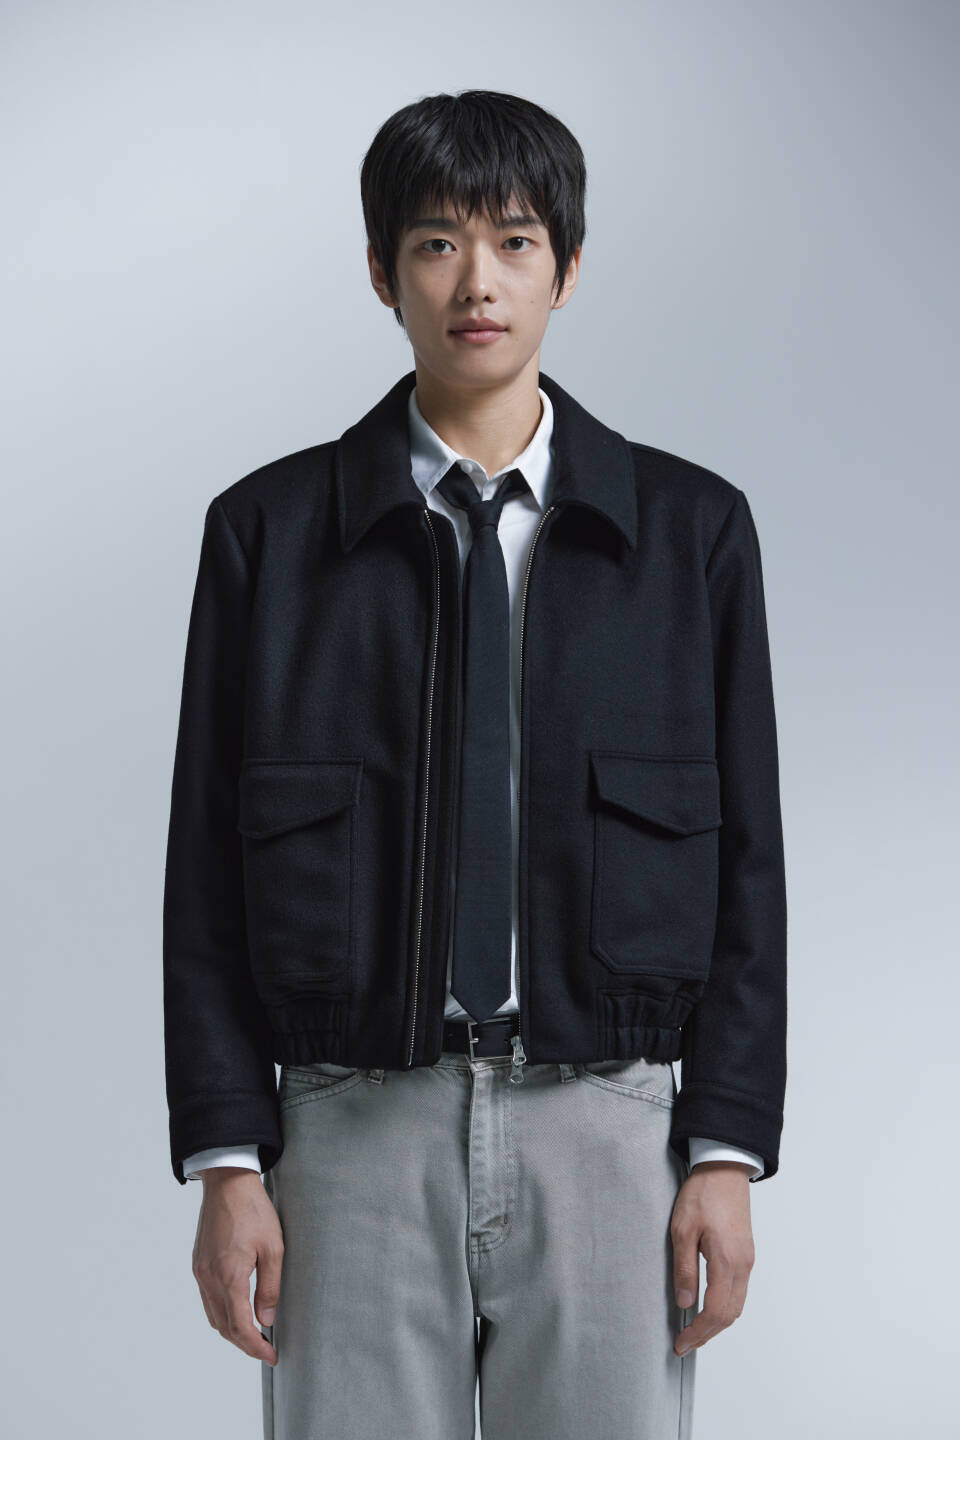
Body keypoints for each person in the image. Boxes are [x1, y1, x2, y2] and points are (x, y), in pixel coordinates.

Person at [162, 89, 787, 1440]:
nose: (477, 283)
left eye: (514, 241)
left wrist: (725, 1149)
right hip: (347, 1127)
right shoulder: (268, 537)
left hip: (611, 1124)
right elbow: (204, 871)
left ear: (569, 266)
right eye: (437, 244)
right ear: (381, 271)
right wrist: (227, 1159)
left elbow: (749, 866)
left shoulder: (690, 536)